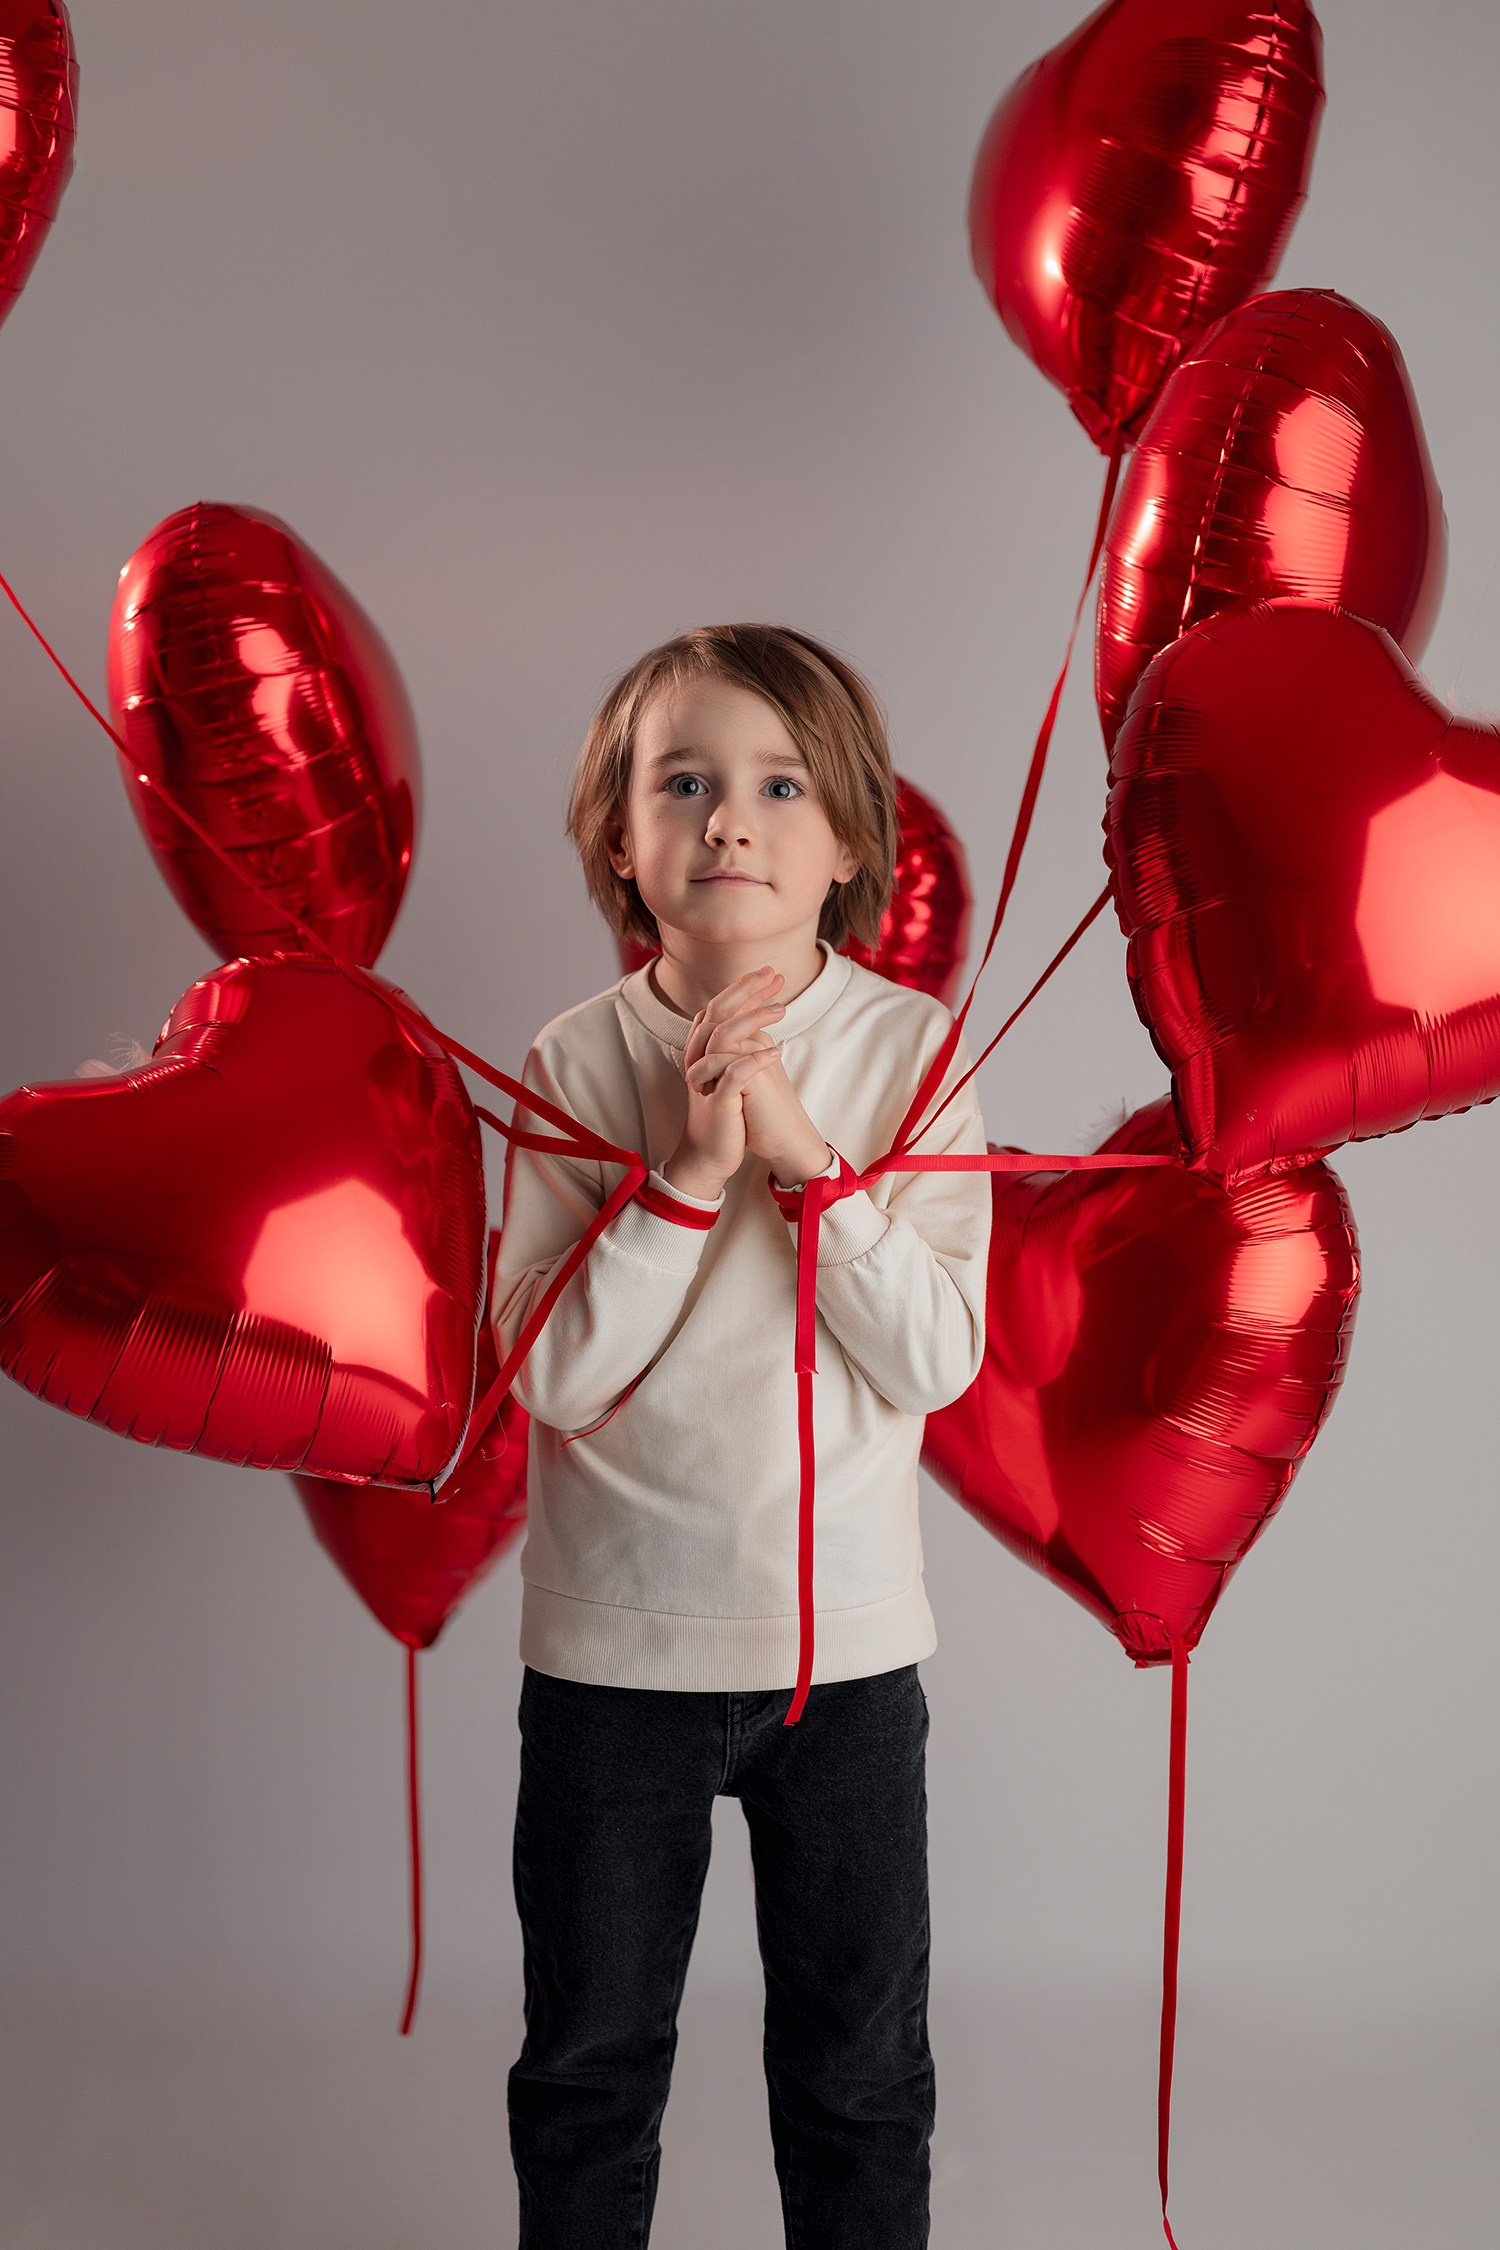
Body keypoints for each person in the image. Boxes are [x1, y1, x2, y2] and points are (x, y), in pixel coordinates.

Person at [493, 623, 991, 2249]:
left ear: (847, 840)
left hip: (839, 1668)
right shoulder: (577, 1061)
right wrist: (688, 1175)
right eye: (683, 783)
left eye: (778, 785)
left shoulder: (915, 1055)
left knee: (857, 2071)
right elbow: (554, 1373)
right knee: (589, 2067)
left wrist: (800, 1154)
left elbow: (933, 1355)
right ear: (620, 840)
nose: (728, 820)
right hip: (610, 1668)